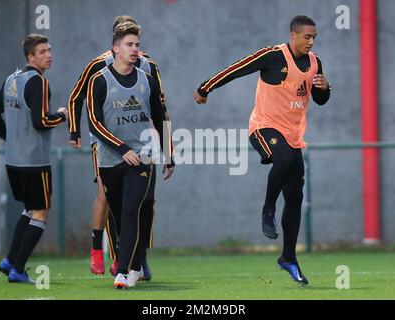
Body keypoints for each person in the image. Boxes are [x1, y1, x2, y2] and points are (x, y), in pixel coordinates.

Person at [194, 15, 331, 285]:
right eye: (307, 36)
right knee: (281, 159)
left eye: (314, 37)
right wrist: (205, 88)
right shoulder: (272, 56)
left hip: (293, 137)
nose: (311, 41)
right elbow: (236, 69)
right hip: (263, 128)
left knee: (294, 197)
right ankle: (267, 210)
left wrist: (326, 88)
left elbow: (320, 99)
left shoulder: (315, 63)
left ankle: (288, 258)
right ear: (293, 35)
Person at [68, 15, 171, 278]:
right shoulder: (99, 69)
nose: (133, 48)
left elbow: (160, 108)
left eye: (135, 42)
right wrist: (74, 130)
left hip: (143, 143)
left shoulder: (148, 67)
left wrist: (168, 151)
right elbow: (77, 98)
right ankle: (112, 256)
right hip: (106, 143)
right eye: (127, 41)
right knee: (110, 199)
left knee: (144, 202)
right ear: (115, 43)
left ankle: (138, 258)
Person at [0, 34, 68, 283]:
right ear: (31, 57)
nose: (49, 55)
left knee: (30, 209)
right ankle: (18, 270)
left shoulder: (13, 78)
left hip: (14, 160)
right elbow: (41, 121)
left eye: (49, 50)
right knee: (41, 212)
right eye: (42, 51)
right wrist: (63, 116)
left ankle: (9, 260)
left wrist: (12, 141)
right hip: (34, 161)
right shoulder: (38, 82)